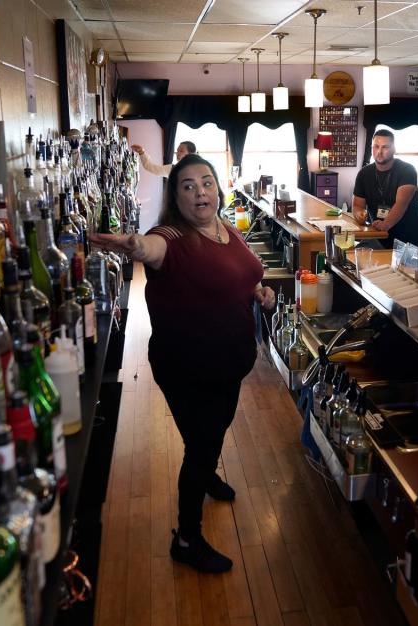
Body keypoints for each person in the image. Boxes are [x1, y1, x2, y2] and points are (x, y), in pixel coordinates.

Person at [90, 154, 275, 573]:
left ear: (218, 188)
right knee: (200, 445)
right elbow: (151, 248)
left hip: (232, 362)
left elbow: (242, 276)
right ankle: (187, 539)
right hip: (189, 367)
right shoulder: (172, 236)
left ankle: (207, 471)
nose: (199, 192)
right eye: (187, 186)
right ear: (176, 196)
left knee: (216, 427)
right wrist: (133, 245)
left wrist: (260, 292)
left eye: (206, 182)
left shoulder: (225, 229)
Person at [352, 129, 418, 246]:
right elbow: (357, 206)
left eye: (385, 147)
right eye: (376, 146)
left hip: (408, 240)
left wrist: (385, 224)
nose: (379, 151)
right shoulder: (364, 173)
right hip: (378, 236)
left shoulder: (408, 171)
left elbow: (401, 204)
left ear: (394, 149)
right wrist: (359, 215)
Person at [131, 140, 196, 177]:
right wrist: (141, 152)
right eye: (177, 150)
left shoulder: (198, 172)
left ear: (190, 155)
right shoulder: (173, 169)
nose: (177, 153)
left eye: (181, 151)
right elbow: (151, 167)